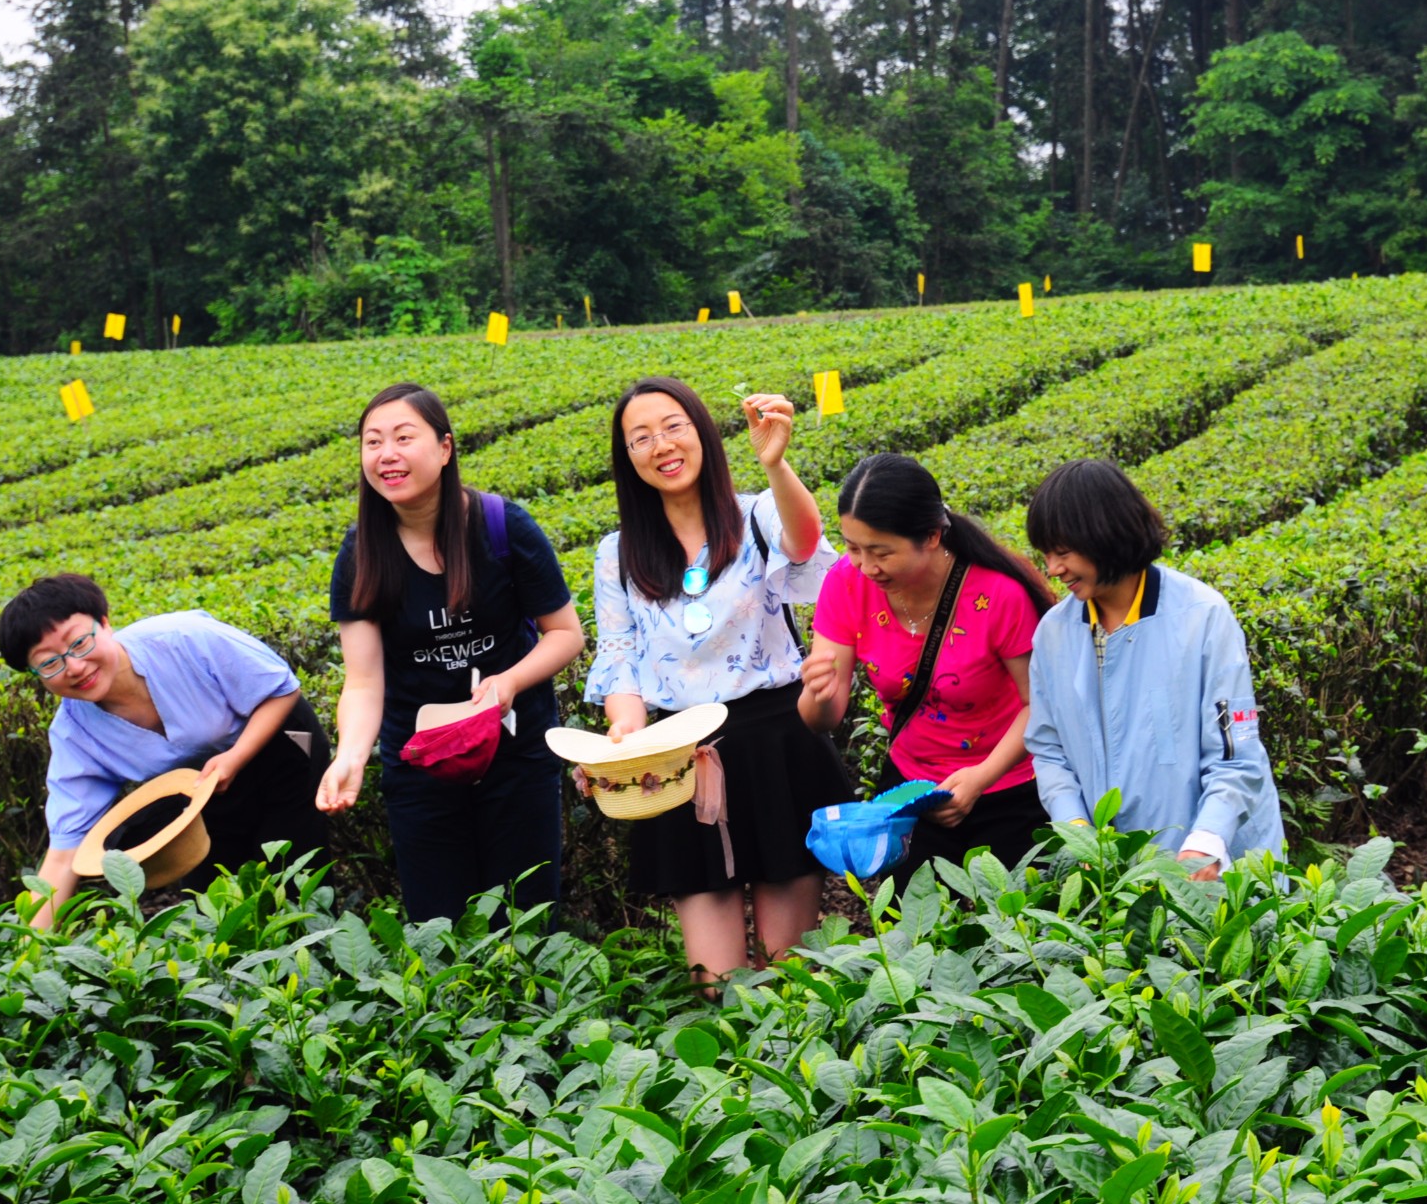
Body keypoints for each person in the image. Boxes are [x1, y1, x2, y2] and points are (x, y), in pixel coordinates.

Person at [578, 376, 849, 985]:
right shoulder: (618, 554)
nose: (661, 445)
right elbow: (620, 657)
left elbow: (805, 544)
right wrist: (625, 735)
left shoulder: (754, 515)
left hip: (775, 744)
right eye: (640, 437)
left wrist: (776, 464)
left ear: (701, 431)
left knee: (791, 967)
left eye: (674, 426)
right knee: (714, 979)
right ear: (627, 458)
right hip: (680, 758)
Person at [316, 382, 585, 922]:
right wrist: (349, 757)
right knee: (440, 926)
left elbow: (565, 633)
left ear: (444, 448)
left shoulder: (502, 527)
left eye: (403, 437)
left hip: (516, 753)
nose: (386, 454)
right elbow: (365, 681)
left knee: (529, 916)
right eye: (372, 442)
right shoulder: (362, 552)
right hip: (421, 764)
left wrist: (507, 682)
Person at [0, 572, 332, 929]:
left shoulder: (183, 638)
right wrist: (27, 953)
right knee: (215, 912)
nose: (74, 667)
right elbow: (65, 854)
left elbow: (280, 688)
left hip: (280, 751)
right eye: (49, 663)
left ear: (105, 623)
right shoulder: (74, 734)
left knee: (293, 881)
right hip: (201, 793)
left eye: (79, 643)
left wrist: (236, 757)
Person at [798, 453, 1055, 890]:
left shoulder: (999, 594)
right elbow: (824, 719)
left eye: (881, 552)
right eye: (853, 547)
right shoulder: (846, 583)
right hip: (912, 792)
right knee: (913, 938)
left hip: (1008, 789)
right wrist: (816, 695)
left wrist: (981, 777)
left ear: (932, 536)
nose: (865, 566)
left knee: (1016, 937)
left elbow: (1040, 705)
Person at [1022, 459, 1285, 879]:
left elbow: (1236, 753)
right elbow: (1049, 748)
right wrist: (1076, 830)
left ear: (1104, 534)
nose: (1053, 570)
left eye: (1063, 552)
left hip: (1213, 868)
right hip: (1116, 876)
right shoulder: (1054, 633)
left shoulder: (1202, 616)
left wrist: (1206, 840)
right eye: (1047, 555)